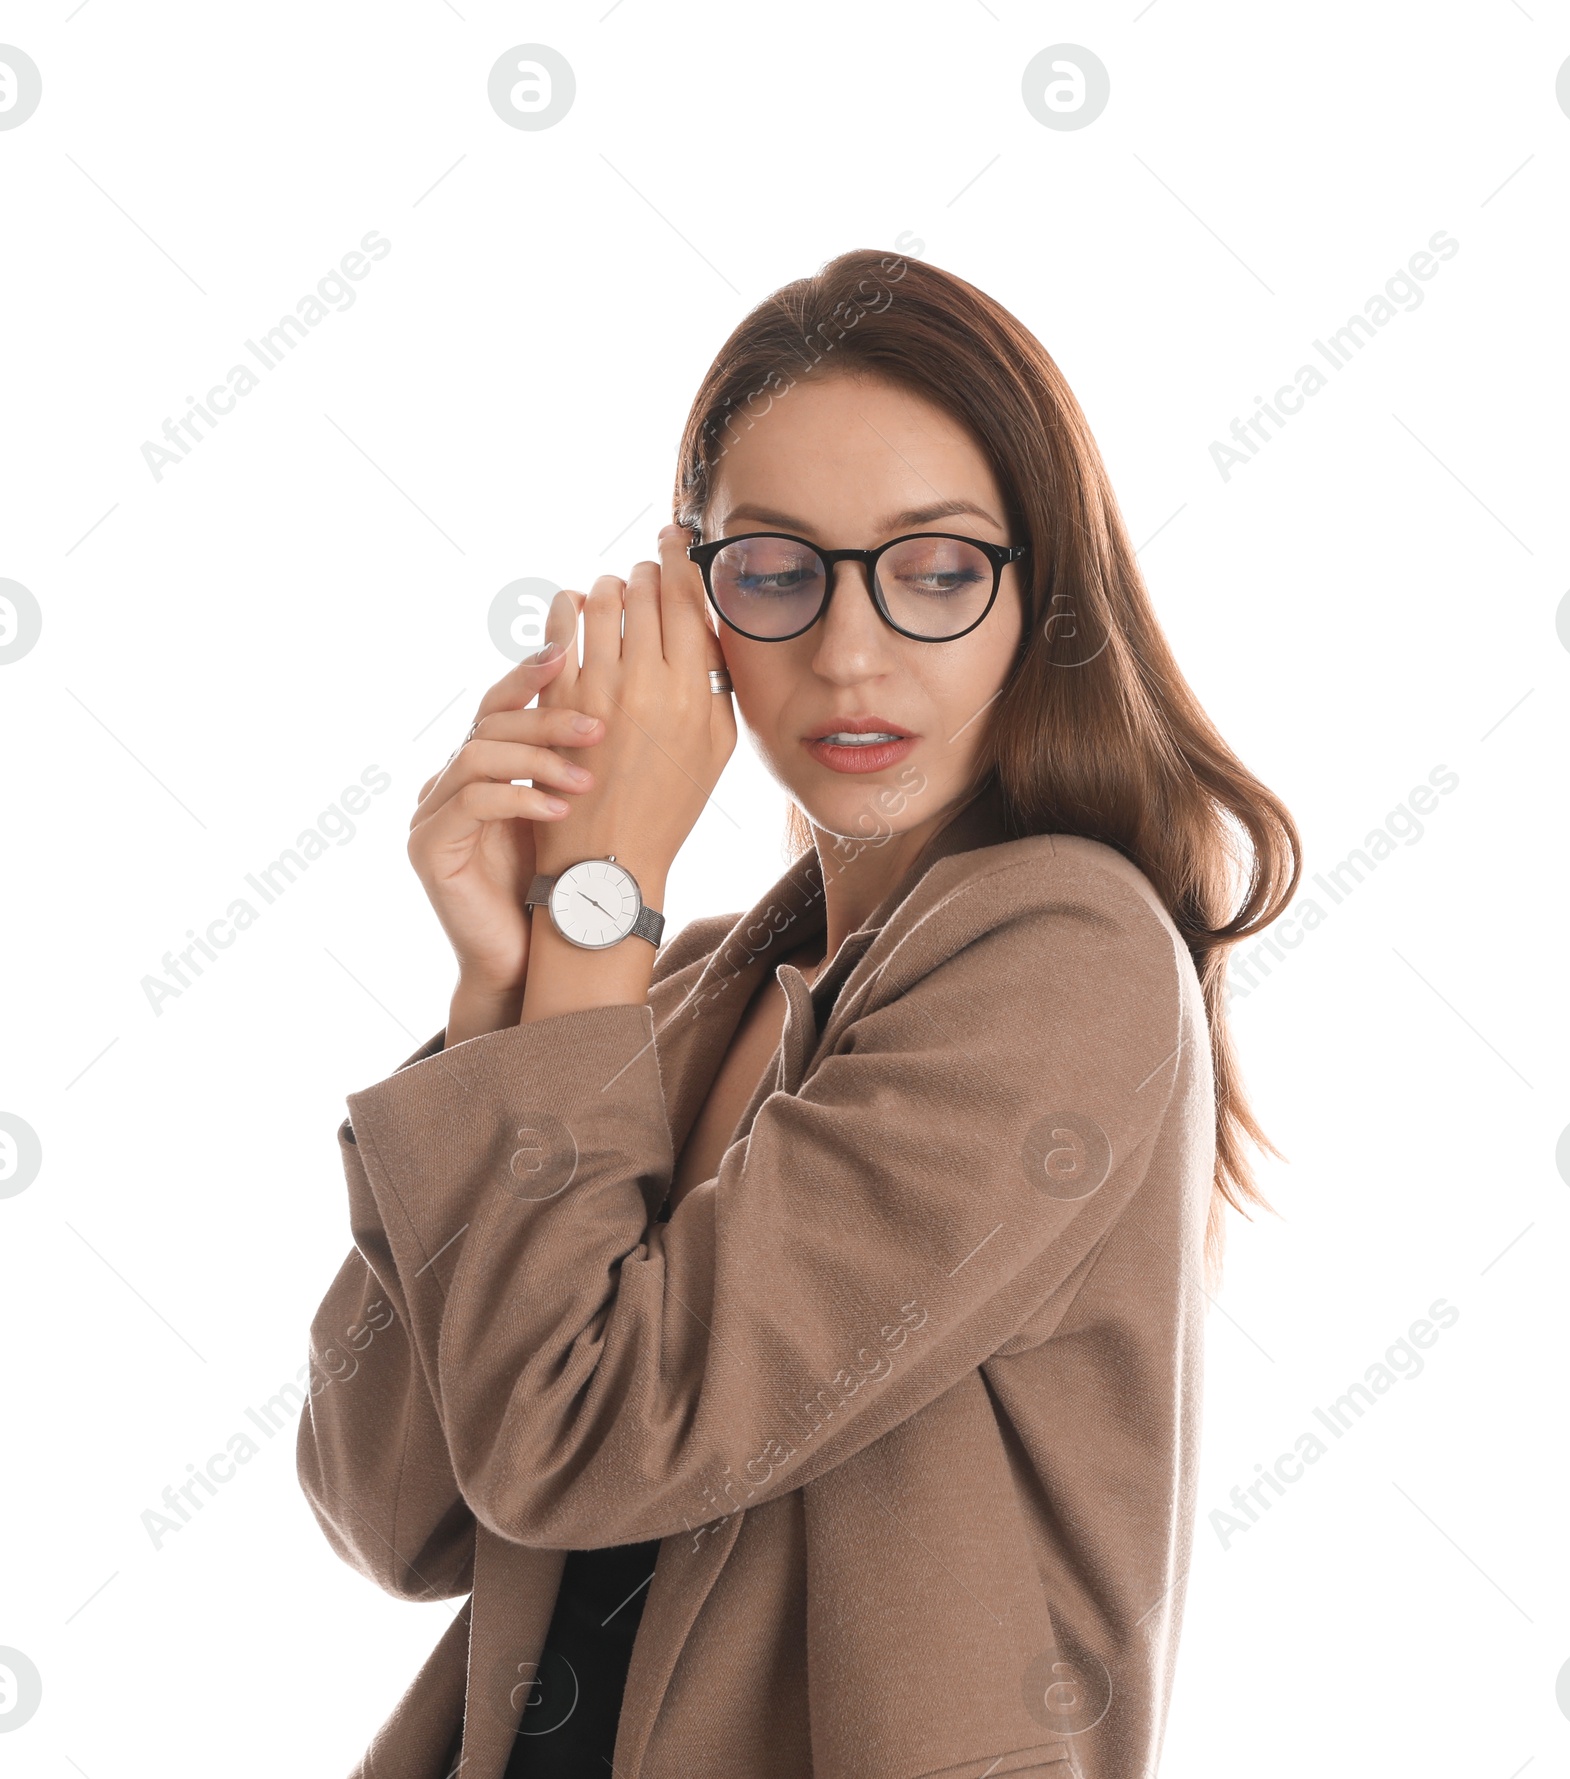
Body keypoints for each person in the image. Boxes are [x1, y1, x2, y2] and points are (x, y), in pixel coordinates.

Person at [297, 247, 1301, 1779]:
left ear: (1046, 594)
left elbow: (576, 1444)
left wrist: (598, 899)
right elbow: (397, 1506)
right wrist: (509, 987)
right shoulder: (678, 989)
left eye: (939, 567)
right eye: (775, 569)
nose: (849, 650)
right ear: (692, 607)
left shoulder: (1066, 950)